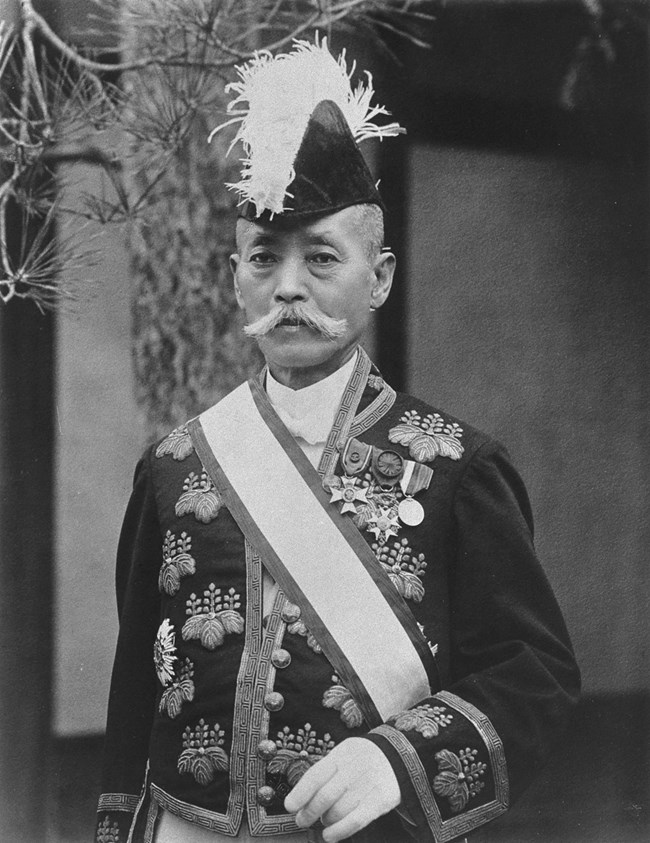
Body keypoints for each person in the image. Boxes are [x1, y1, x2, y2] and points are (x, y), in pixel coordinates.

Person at [95, 39, 580, 843]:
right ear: (233, 275)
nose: (289, 287)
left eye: (322, 258)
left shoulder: (457, 469)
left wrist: (398, 760)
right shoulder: (175, 467)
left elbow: (535, 676)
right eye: (264, 260)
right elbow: (135, 689)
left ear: (379, 276)